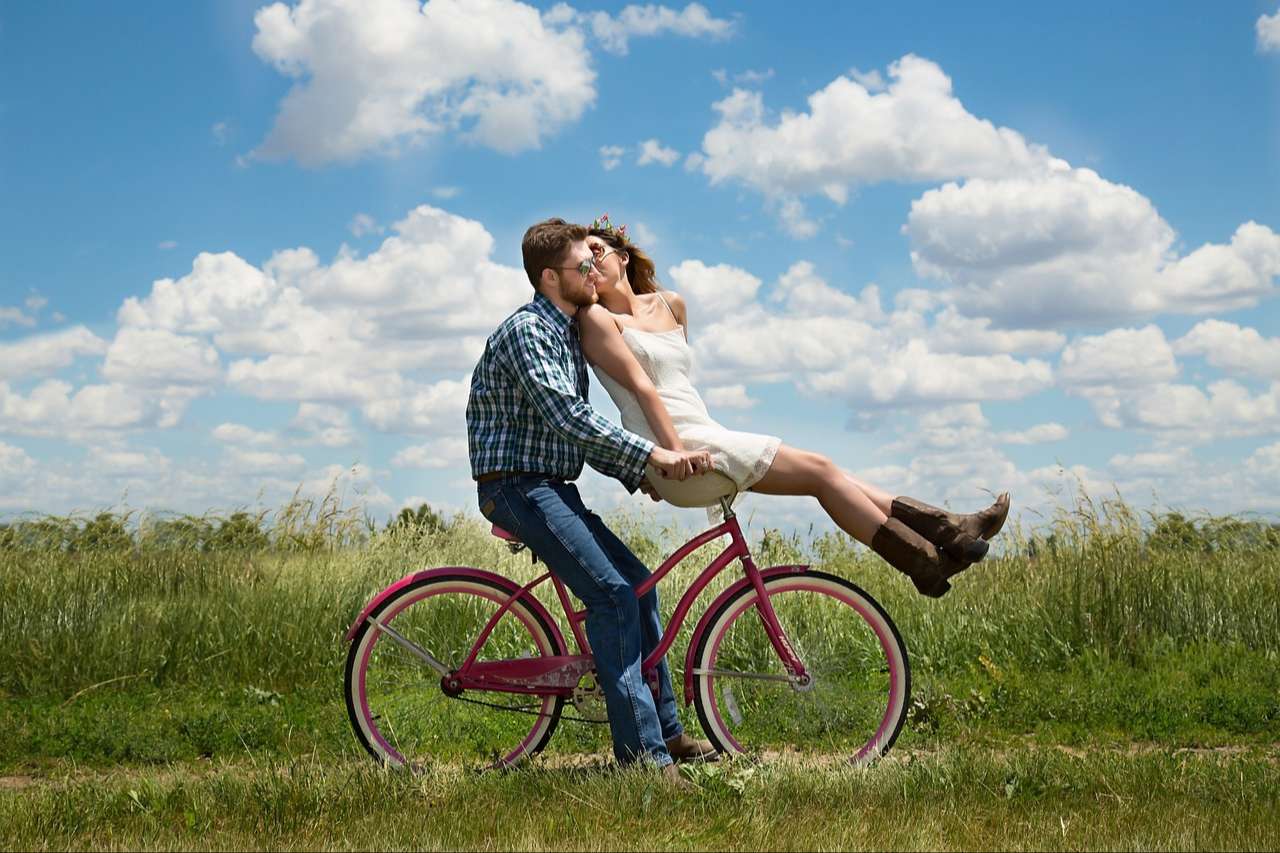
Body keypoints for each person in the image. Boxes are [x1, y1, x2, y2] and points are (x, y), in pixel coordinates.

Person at [578, 214, 1010, 598]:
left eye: (596, 251)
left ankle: (946, 537)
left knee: (829, 474)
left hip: (702, 434)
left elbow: (680, 387)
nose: (590, 264)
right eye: (581, 261)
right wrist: (667, 456)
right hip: (676, 451)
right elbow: (644, 391)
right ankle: (931, 554)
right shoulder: (598, 320)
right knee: (822, 473)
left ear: (623, 256)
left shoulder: (671, 305)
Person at [466, 218, 717, 781]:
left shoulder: (564, 332)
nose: (594, 274)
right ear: (552, 277)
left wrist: (638, 473)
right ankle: (643, 761)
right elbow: (569, 418)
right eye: (585, 266)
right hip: (517, 487)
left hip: (551, 485)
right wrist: (653, 457)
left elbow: (574, 432)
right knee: (613, 599)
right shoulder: (530, 331)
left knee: (640, 587)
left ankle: (668, 733)